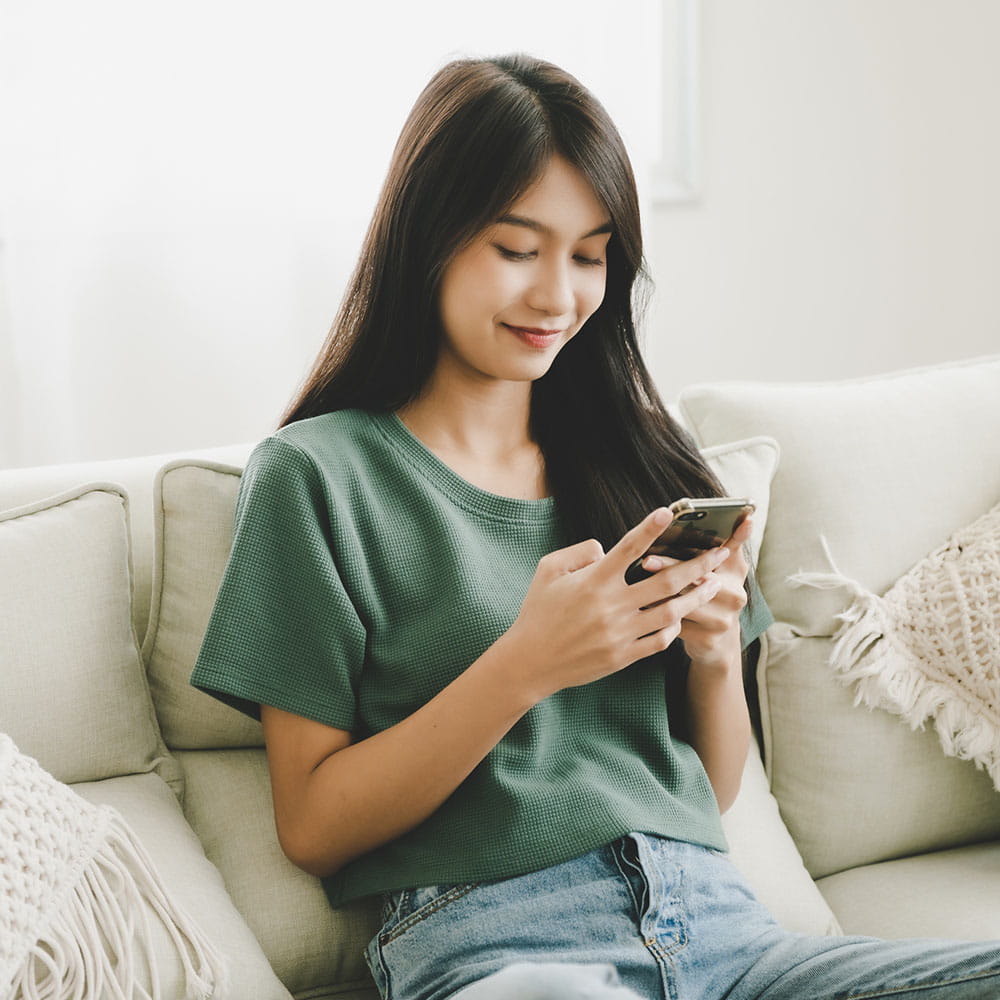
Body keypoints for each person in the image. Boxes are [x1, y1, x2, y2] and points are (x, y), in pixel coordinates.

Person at [190, 54, 1000, 1000]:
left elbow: (715, 789)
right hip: (501, 947)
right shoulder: (318, 476)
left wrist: (705, 657)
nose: (558, 296)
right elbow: (314, 823)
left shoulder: (645, 467)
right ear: (429, 238)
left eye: (589, 253)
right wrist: (525, 664)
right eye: (516, 247)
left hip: (731, 937)